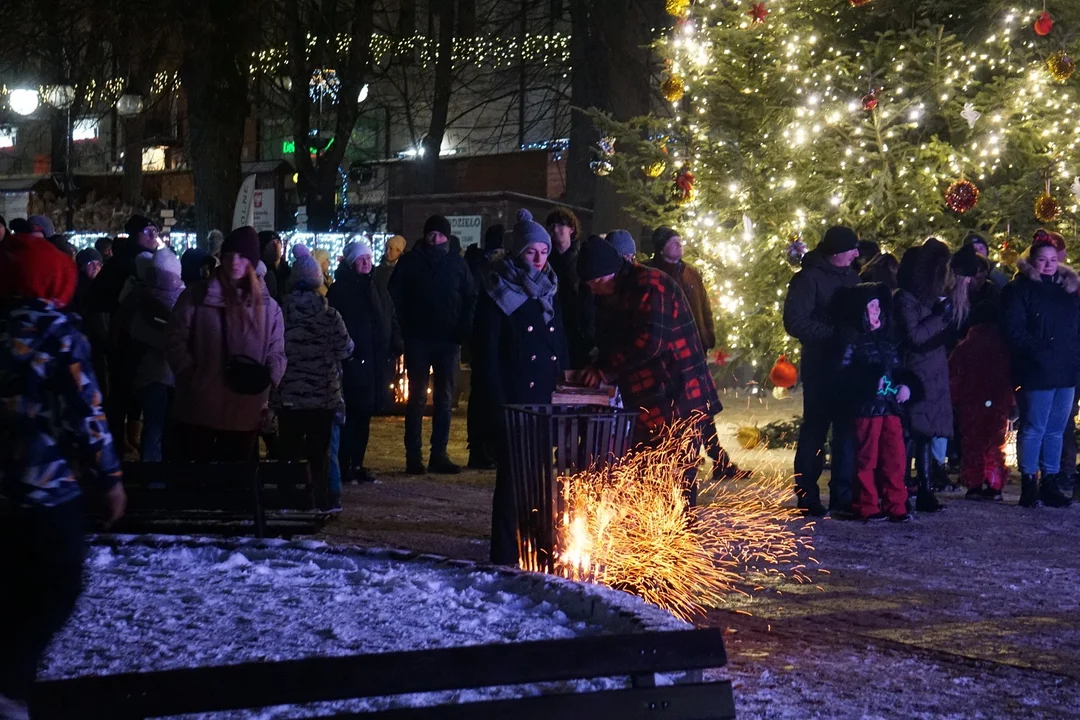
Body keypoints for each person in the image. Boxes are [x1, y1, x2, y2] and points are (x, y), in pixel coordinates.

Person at [0, 231, 126, 716]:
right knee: (58, 581)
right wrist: (109, 477)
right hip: (44, 485)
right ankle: (10, 681)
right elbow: (86, 410)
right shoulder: (58, 331)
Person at [577, 236, 722, 505]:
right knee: (647, 476)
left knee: (677, 480)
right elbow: (613, 340)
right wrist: (597, 364)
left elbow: (650, 343)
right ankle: (652, 541)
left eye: (596, 283)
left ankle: (682, 540)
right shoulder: (613, 295)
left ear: (609, 272)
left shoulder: (651, 285)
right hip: (649, 401)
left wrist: (606, 370)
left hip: (679, 397)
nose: (594, 290)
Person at [474, 210, 568, 564]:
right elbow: (487, 354)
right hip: (515, 399)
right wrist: (496, 403)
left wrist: (566, 385)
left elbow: (559, 343)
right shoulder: (498, 290)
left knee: (543, 479)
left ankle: (537, 548)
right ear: (518, 252)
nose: (540, 259)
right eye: (532, 252)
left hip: (546, 397)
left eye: (544, 251)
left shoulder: (550, 290)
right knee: (513, 481)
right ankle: (505, 553)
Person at [165, 226, 286, 462]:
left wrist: (267, 382)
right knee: (200, 486)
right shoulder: (196, 296)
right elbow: (175, 339)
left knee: (235, 486)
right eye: (230, 254)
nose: (235, 261)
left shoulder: (269, 308)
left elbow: (276, 352)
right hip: (199, 408)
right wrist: (191, 375)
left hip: (246, 410)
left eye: (242, 256)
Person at [388, 215, 477, 474]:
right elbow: (395, 297)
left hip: (448, 340)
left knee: (444, 397)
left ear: (447, 238)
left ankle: (439, 453)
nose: (435, 239)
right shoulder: (411, 262)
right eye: (431, 234)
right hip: (418, 338)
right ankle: (413, 455)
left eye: (439, 235)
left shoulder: (457, 265)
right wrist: (403, 329)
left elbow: (470, 297)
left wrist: (463, 329)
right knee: (416, 397)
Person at [782, 226, 860, 516]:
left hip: (849, 365)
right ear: (837, 252)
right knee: (815, 429)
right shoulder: (808, 279)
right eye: (852, 248)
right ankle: (808, 495)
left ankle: (842, 496)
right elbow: (795, 321)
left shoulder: (852, 277)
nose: (856, 254)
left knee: (845, 432)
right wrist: (832, 334)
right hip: (820, 364)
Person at [648, 226, 735, 480]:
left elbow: (704, 307)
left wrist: (708, 334)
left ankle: (719, 458)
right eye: (673, 242)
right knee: (689, 408)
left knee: (701, 405)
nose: (679, 245)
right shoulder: (654, 274)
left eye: (680, 241)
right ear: (661, 246)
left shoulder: (691, 274)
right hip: (668, 356)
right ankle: (696, 460)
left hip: (695, 348)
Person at [1001, 235, 1080, 508]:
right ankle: (1029, 482)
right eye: (1042, 260)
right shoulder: (1019, 290)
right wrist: (1040, 353)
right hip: (1037, 370)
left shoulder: (1067, 293)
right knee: (1035, 427)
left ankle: (1050, 479)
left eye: (1053, 260)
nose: (1049, 265)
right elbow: (1015, 330)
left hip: (1066, 370)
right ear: (1032, 262)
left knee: (1056, 429)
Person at [274, 250, 354, 510]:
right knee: (320, 453)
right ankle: (320, 499)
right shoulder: (330, 315)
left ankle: (288, 498)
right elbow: (346, 349)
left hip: (289, 396)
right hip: (323, 395)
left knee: (288, 451)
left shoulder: (281, 314)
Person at [838, 283, 915, 523]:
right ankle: (867, 504)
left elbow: (898, 368)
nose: (877, 310)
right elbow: (843, 372)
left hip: (890, 407)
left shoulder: (886, 340)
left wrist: (906, 385)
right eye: (872, 306)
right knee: (867, 458)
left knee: (895, 457)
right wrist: (869, 382)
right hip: (868, 408)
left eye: (878, 306)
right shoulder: (853, 339)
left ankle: (896, 504)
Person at [329, 240, 403, 483]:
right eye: (360, 259)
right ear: (351, 263)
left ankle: (357, 463)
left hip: (374, 362)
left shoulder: (377, 288)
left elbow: (390, 316)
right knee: (350, 417)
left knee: (364, 417)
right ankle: (344, 464)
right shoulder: (341, 291)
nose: (366, 263)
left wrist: (395, 343)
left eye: (368, 259)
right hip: (353, 362)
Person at [894, 240, 953, 513]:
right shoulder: (905, 299)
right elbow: (915, 335)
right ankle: (903, 488)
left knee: (926, 433)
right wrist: (939, 317)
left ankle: (926, 488)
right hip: (916, 372)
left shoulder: (926, 299)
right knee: (912, 431)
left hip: (933, 370)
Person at [121, 249, 185, 462]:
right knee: (160, 427)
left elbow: (135, 330)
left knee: (156, 427)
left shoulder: (140, 296)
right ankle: (156, 478)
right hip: (166, 373)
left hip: (153, 374)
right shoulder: (179, 298)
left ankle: (154, 478)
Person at [949, 302, 1013, 501]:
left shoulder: (966, 346)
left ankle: (974, 482)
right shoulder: (1004, 346)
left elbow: (954, 374)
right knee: (995, 441)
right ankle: (995, 484)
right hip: (998, 399)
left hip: (970, 401)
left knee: (972, 442)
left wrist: (954, 399)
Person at [465, 224, 507, 470]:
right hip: (487, 338)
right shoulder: (492, 270)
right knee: (487, 395)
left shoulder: (477, 265)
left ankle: (482, 449)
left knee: (482, 395)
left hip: (481, 337)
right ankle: (485, 449)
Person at [546, 207, 594, 369]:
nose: (555, 230)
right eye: (552, 226)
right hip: (554, 320)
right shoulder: (546, 259)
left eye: (560, 225)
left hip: (577, 325)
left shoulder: (583, 256)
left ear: (571, 228)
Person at [259, 231, 290, 301]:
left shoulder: (290, 272)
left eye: (278, 242)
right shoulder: (260, 274)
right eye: (271, 244)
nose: (276, 246)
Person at [73, 247, 103, 316]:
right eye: (91, 263)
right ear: (82, 266)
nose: (96, 267)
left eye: (99, 264)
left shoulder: (102, 284)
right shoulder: (78, 288)